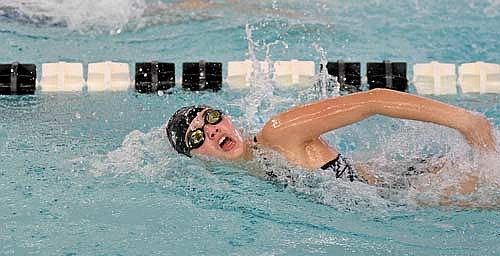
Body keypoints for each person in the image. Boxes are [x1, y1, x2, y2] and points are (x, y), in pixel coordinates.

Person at [166, 88, 497, 194]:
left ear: (226, 118)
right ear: (198, 157)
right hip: (395, 184)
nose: (211, 130)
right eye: (197, 136)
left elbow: (374, 100)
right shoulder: (235, 178)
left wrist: (467, 122)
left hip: (412, 190)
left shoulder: (279, 133)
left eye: (211, 118)